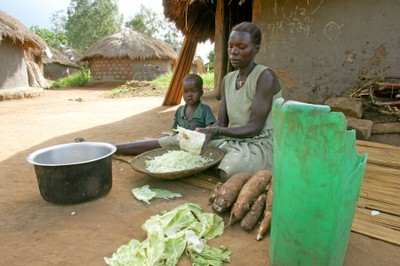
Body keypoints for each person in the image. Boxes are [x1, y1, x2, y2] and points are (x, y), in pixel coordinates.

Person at [197, 22, 284, 180]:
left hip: (260, 143)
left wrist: (216, 131)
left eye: (241, 47)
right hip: (234, 139)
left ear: (256, 49)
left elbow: (254, 128)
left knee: (229, 169)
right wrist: (206, 132)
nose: (233, 52)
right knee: (188, 147)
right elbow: (222, 123)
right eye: (230, 46)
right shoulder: (228, 80)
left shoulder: (265, 77)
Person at [115, 73, 215, 155]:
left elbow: (210, 127)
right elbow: (176, 130)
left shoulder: (205, 109)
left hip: (197, 143)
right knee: (162, 142)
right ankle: (116, 148)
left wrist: (203, 137)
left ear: (201, 93)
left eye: (193, 91)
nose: (189, 94)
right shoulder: (180, 110)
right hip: (180, 142)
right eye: (185, 92)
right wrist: (173, 136)